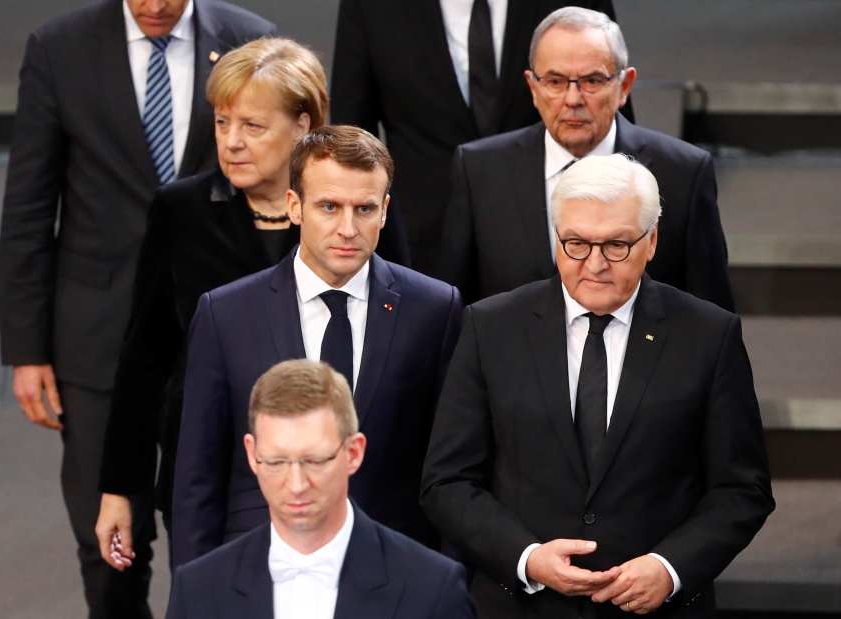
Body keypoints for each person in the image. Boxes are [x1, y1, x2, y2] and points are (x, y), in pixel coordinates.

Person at [0, 0, 274, 615]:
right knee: (111, 541)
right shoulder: (59, 48)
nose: (154, 5)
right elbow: (28, 201)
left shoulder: (250, 39)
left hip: (212, 332)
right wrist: (26, 346)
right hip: (95, 332)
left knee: (214, 538)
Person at [95, 36, 411, 574]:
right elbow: (146, 357)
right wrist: (119, 489)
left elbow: (404, 326)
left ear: (303, 126)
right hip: (216, 482)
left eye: (253, 126)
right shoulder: (181, 212)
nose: (232, 142)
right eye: (222, 123)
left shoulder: (352, 213)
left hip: (349, 481)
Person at [421, 154, 774, 618]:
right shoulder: (491, 328)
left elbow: (742, 489)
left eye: (616, 246)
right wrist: (526, 559)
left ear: (651, 242)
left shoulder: (709, 335)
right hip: (521, 607)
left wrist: (669, 568)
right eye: (576, 244)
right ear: (556, 239)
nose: (595, 264)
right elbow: (447, 482)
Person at [169, 125, 464, 568]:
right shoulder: (225, 314)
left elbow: (452, 469)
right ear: (295, 206)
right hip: (259, 565)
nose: (348, 228)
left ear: (384, 211)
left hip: (396, 571)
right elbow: (197, 477)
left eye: (364, 208)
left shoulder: (435, 309)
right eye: (329, 206)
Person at [439, 7, 735, 312]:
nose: (573, 99)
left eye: (592, 81)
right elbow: (456, 310)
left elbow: (711, 316)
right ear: (533, 88)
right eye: (555, 81)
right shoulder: (479, 170)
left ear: (624, 86)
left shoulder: (682, 173)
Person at [331, 0, 628, 276]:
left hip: (567, 241)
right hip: (419, 249)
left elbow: (611, 109)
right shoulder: (370, 7)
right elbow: (352, 139)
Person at [166, 360, 475, 619]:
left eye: (315, 461)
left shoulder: (432, 589)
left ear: (353, 452)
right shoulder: (197, 590)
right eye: (276, 462)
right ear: (252, 454)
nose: (297, 485)